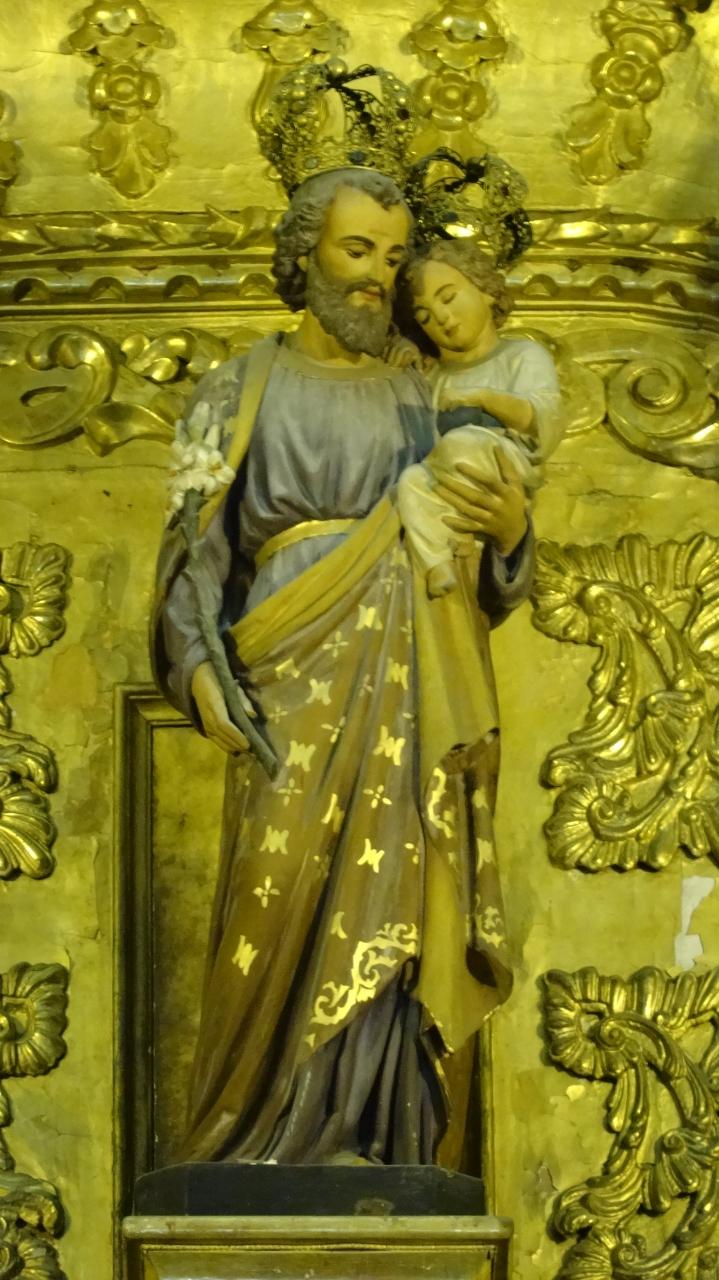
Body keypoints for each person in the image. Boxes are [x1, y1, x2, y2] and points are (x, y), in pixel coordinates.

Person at [152, 165, 534, 1167]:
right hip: (284, 674)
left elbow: (476, 557)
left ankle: (377, 1137)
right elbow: (192, 550)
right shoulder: (242, 385)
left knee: (401, 896)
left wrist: (507, 535)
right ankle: (249, 1138)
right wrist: (197, 665)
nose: (377, 276)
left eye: (395, 257)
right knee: (274, 892)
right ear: (305, 254)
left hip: (412, 675)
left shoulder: (422, 390)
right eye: (356, 249)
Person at [395, 240, 562, 597]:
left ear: (485, 290)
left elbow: (541, 419)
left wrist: (483, 398)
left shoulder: (522, 356)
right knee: (410, 481)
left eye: (448, 297)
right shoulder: (432, 379)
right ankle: (436, 562)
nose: (441, 317)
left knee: (461, 442)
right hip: (449, 484)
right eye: (424, 317)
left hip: (499, 467)